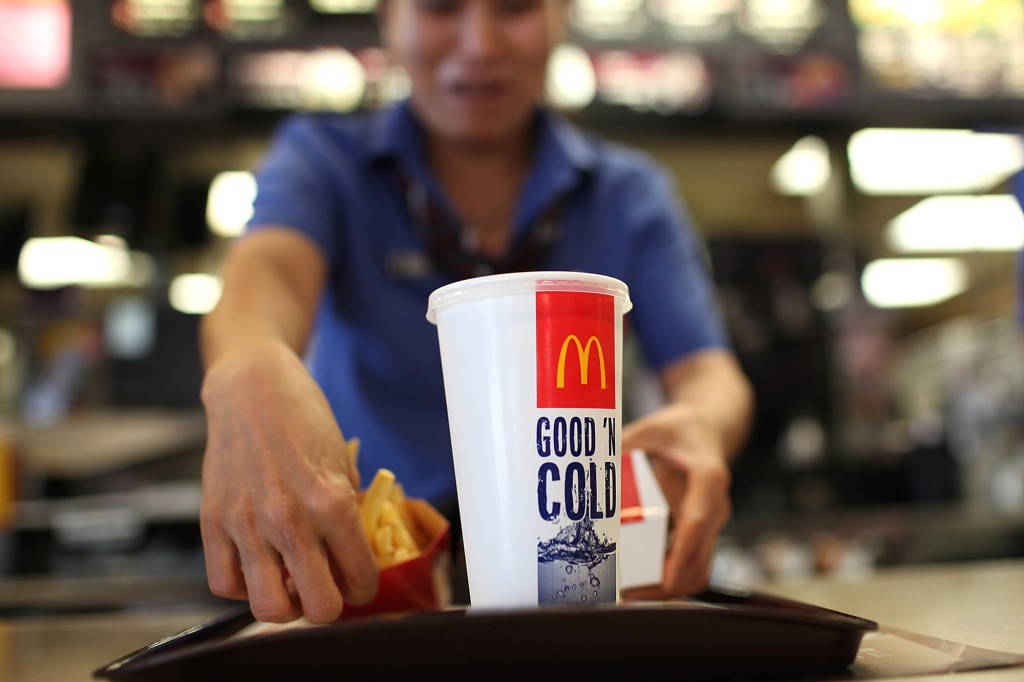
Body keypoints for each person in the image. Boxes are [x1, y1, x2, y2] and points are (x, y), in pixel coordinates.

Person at [198, 0, 754, 625]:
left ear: (560, 18)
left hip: (574, 585)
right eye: (440, 8)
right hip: (375, 594)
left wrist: (702, 426)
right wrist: (247, 369)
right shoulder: (325, 161)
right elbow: (266, 272)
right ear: (389, 19)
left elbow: (710, 373)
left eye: (515, 8)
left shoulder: (628, 194)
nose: (480, 44)